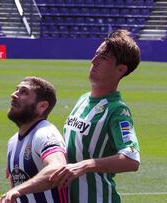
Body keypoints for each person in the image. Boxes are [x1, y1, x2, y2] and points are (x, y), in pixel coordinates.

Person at [49, 30, 141, 203]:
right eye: (96, 54)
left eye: (103, 58)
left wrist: (85, 165)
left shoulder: (118, 111)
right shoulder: (83, 100)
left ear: (120, 70)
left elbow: (131, 159)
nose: (93, 61)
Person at [0, 76, 67, 203]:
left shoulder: (45, 133)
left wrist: (17, 190)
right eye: (16, 90)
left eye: (24, 92)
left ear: (42, 106)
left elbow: (58, 168)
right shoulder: (13, 141)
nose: (13, 95)